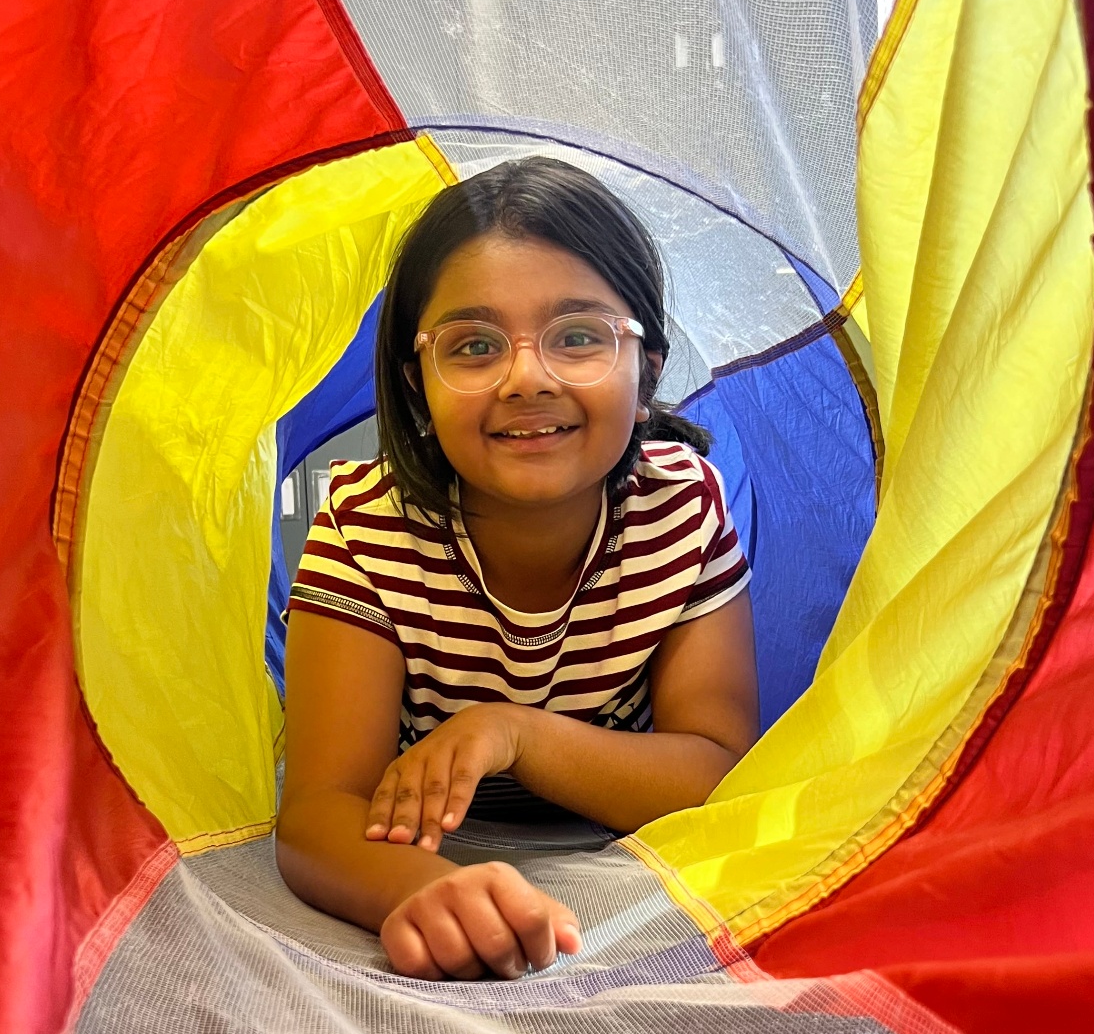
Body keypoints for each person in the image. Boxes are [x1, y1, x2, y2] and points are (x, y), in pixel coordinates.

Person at [275, 157, 759, 981]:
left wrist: (512, 733)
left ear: (647, 370)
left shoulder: (680, 508)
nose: (527, 379)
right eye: (474, 346)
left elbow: (715, 770)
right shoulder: (367, 527)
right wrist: (422, 889)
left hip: (606, 843)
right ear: (418, 386)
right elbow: (320, 810)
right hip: (427, 841)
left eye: (578, 337)